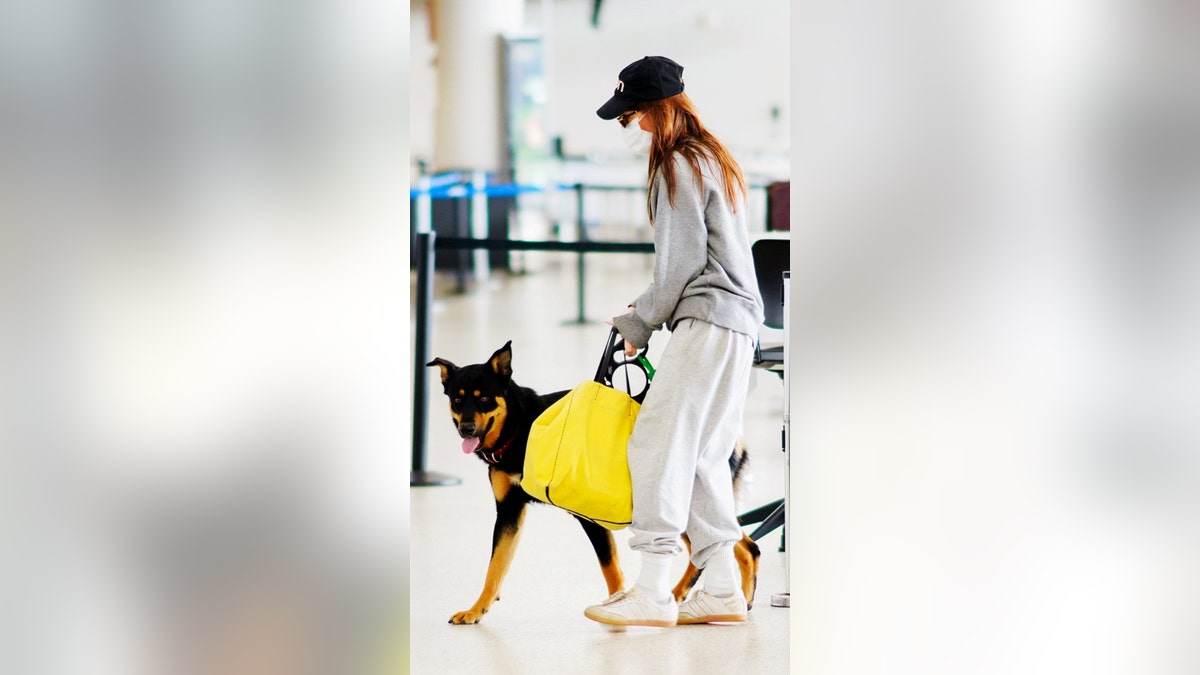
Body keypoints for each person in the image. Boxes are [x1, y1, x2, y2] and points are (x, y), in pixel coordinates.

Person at [584, 56, 764, 627]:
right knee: (706, 457)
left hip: (709, 320)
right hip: (737, 321)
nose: (628, 129)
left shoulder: (677, 165)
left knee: (658, 443)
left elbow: (682, 262)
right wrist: (650, 306)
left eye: (630, 116)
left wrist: (637, 323)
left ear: (656, 112)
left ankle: (656, 589)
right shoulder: (712, 156)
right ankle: (722, 588)